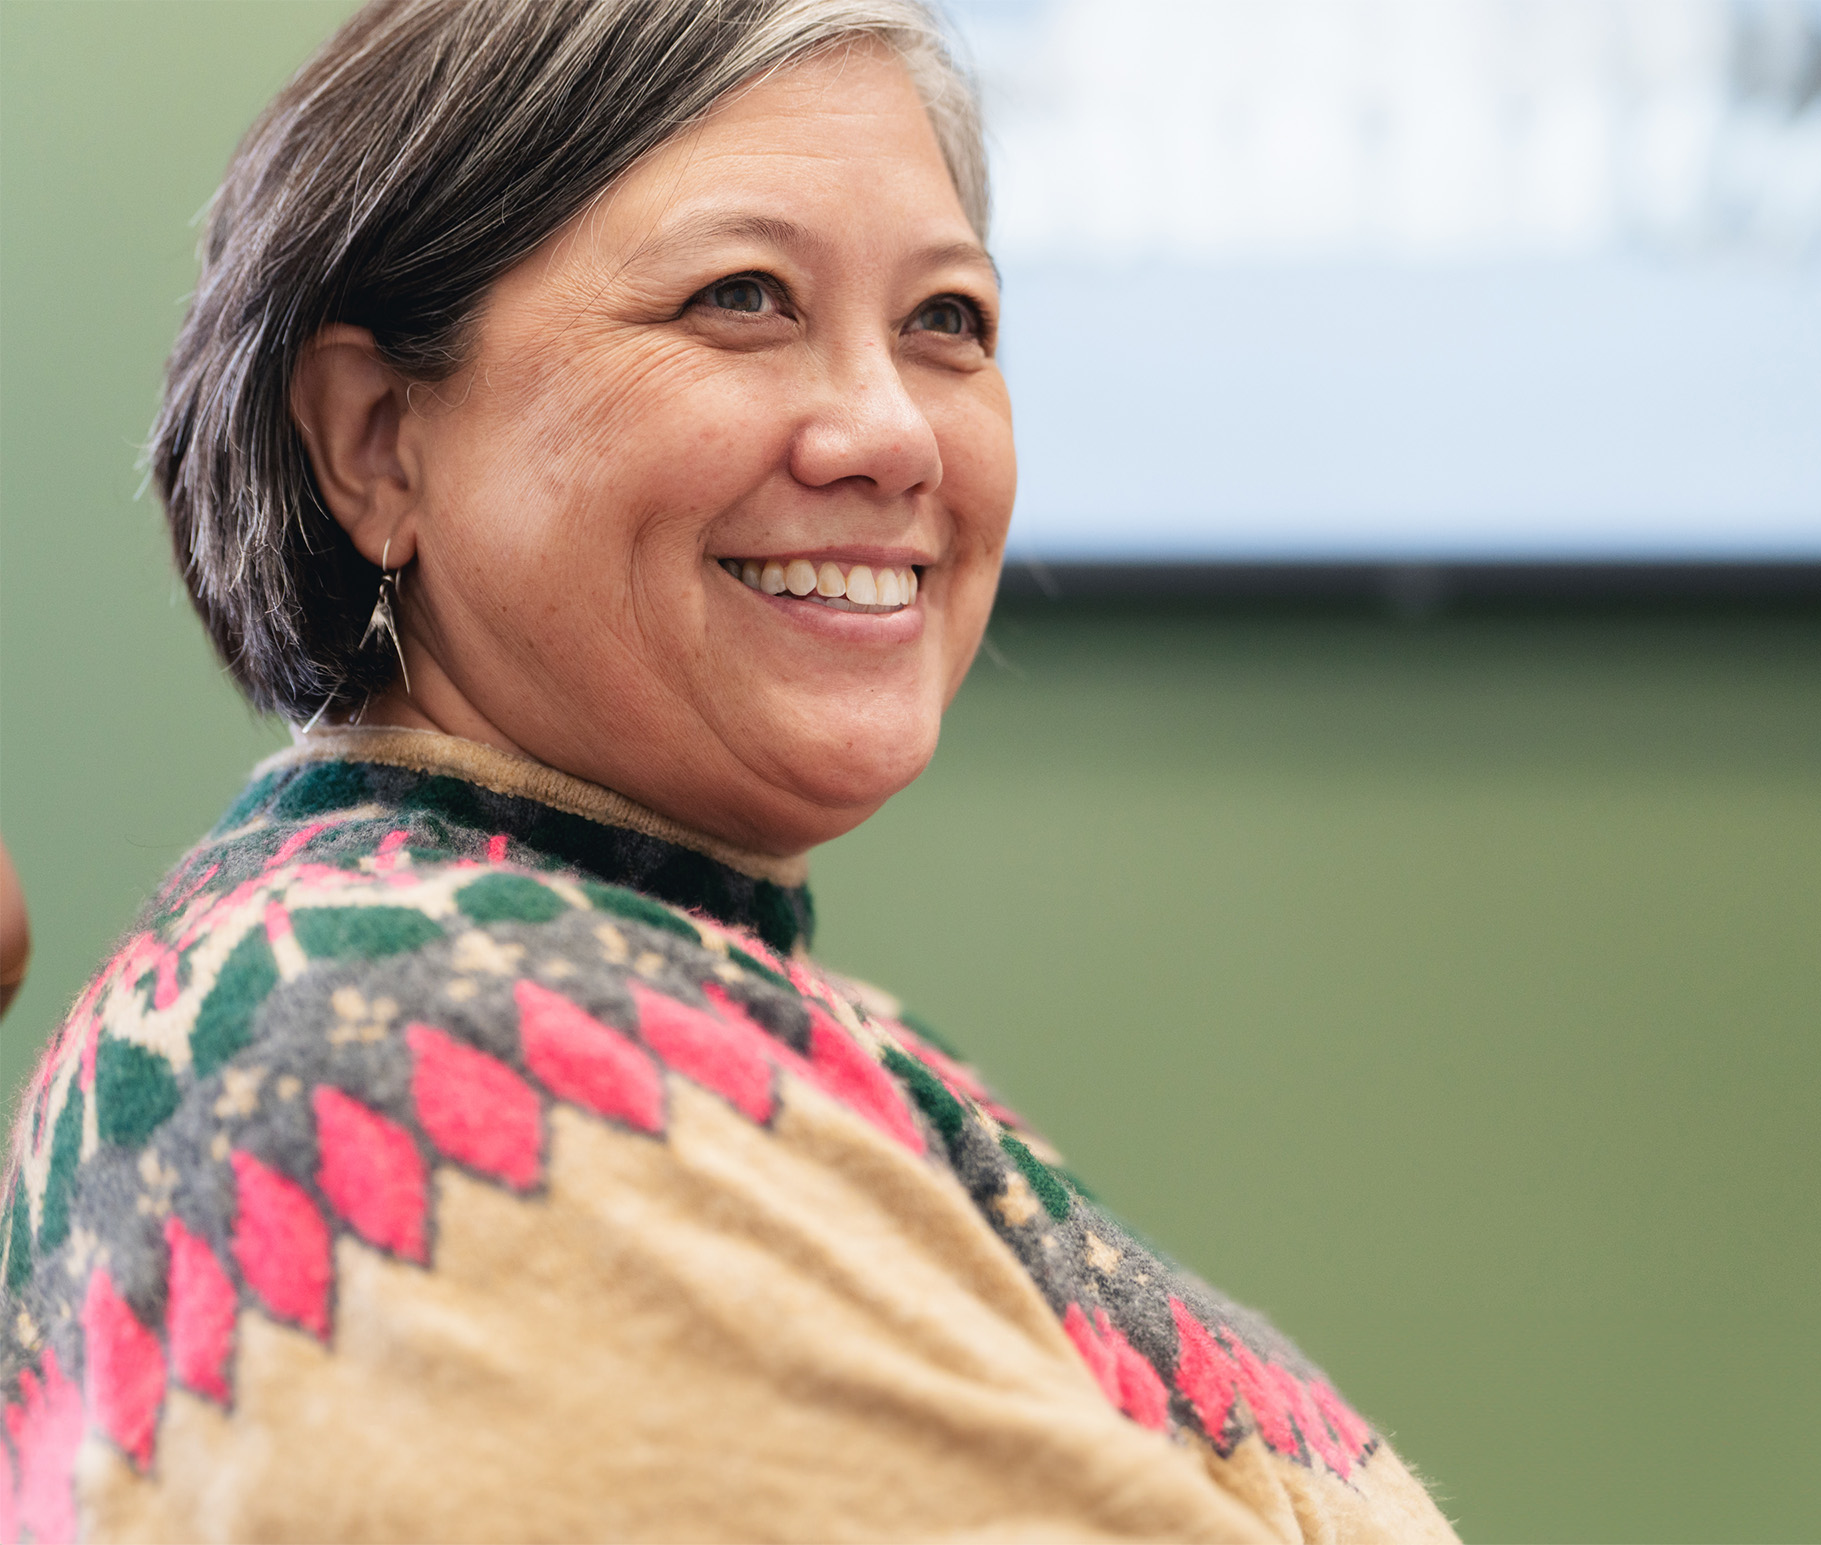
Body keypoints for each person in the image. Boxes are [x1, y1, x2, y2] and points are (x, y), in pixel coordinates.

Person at [0, 2, 1457, 1539]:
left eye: (948, 320)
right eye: (743, 297)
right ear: (376, 440)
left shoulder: (638, 980)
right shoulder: (409, 1044)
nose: (892, 431)